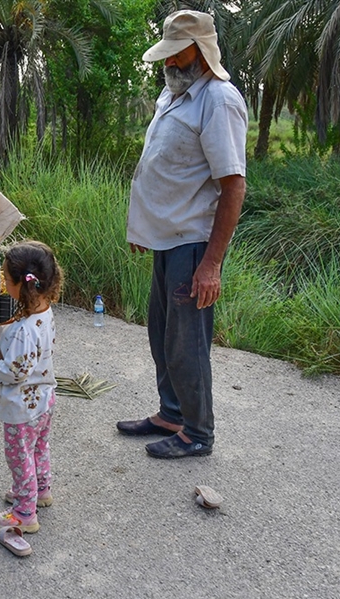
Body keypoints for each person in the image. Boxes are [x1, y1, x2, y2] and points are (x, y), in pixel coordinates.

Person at [116, 10, 247, 459]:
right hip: (165, 238)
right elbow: (167, 165)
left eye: (178, 54)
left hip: (192, 245)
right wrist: (144, 224)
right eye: (167, 54)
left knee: (186, 344)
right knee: (162, 335)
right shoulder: (174, 93)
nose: (168, 62)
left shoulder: (219, 101)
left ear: (202, 52)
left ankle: (197, 433)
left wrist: (211, 264)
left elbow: (233, 186)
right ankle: (172, 414)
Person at [0, 241, 62, 543]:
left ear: (20, 284)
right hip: (44, 399)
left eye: (5, 277)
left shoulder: (23, 329)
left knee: (19, 456)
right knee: (39, 447)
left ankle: (25, 513)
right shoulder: (43, 313)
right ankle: (41, 489)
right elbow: (24, 354)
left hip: (22, 408)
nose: (3, 282)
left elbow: (16, 371)